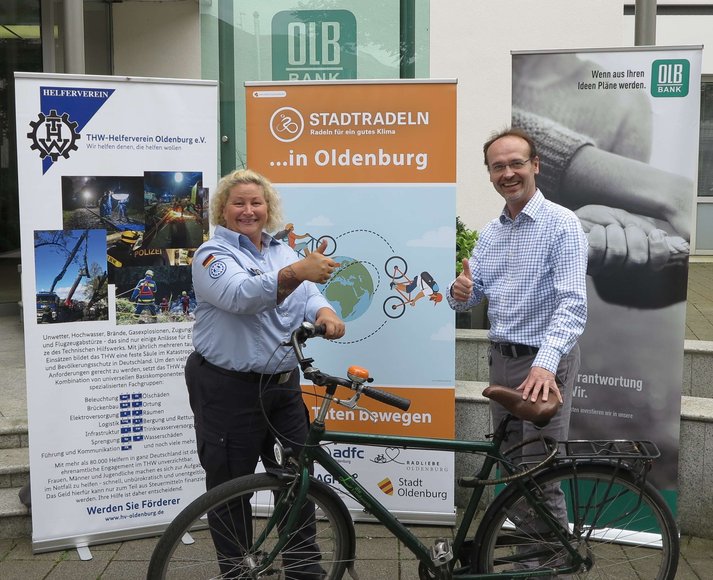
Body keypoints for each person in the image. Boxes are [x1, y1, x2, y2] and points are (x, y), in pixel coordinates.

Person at [185, 168, 345, 578]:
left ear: (268, 208)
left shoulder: (282, 252)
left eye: (256, 202)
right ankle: (239, 572)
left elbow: (310, 294)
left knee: (297, 482)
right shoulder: (210, 255)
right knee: (230, 489)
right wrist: (297, 274)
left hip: (283, 387)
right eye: (238, 202)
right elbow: (241, 297)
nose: (248, 210)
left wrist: (325, 312)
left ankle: (303, 569)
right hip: (227, 389)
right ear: (223, 209)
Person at [448, 128, 587, 574]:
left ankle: (550, 563)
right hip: (502, 361)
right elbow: (472, 297)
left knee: (540, 471)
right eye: (497, 166)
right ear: (489, 173)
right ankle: (531, 552)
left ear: (535, 166)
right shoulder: (492, 231)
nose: (507, 173)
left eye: (516, 164)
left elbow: (572, 303)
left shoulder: (561, 223)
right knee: (510, 469)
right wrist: (460, 290)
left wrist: (546, 365)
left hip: (543, 361)